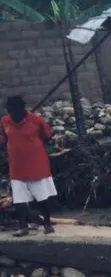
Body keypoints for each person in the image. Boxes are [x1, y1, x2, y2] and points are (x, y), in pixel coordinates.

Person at [0, 95, 56, 236]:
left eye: (16, 111)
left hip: (36, 165)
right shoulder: (5, 121)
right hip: (17, 167)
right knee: (20, 200)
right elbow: (5, 139)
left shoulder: (36, 120)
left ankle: (48, 224)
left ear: (22, 109)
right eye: (11, 111)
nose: (14, 114)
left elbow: (47, 135)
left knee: (42, 197)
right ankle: (23, 227)